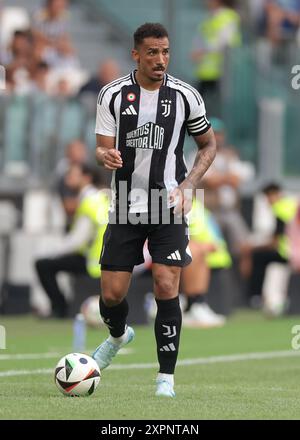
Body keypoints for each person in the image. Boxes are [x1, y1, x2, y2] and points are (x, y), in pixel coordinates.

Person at [93, 22, 216, 398]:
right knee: (112, 295)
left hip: (170, 203)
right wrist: (105, 156)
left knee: (167, 283)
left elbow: (208, 146)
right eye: (152, 52)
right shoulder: (112, 95)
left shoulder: (186, 96)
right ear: (136, 54)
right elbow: (101, 148)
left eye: (165, 52)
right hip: (125, 203)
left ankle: (166, 378)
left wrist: (190, 184)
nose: (160, 59)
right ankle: (118, 335)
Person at [35, 162, 109, 318]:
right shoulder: (100, 197)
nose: (67, 178)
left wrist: (51, 251)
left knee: (43, 264)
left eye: (73, 174)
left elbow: (77, 241)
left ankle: (60, 309)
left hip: (92, 262)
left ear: (86, 178)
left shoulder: (89, 201)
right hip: (106, 257)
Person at [181, 197, 231, 327]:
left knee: (198, 252)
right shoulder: (179, 204)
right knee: (195, 251)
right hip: (164, 252)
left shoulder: (196, 205)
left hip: (212, 255)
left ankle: (197, 304)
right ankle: (192, 305)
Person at [247, 182, 297, 309]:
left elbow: (276, 241)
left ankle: (255, 297)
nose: (268, 201)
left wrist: (254, 247)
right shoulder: (291, 205)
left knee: (258, 256)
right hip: (292, 251)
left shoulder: (281, 208)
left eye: (269, 197)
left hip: (289, 253)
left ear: (276, 194)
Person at [191, 0, 242, 115]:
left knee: (218, 112)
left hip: (222, 72)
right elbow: (201, 39)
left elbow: (225, 42)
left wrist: (202, 51)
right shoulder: (210, 17)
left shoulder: (228, 16)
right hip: (206, 72)